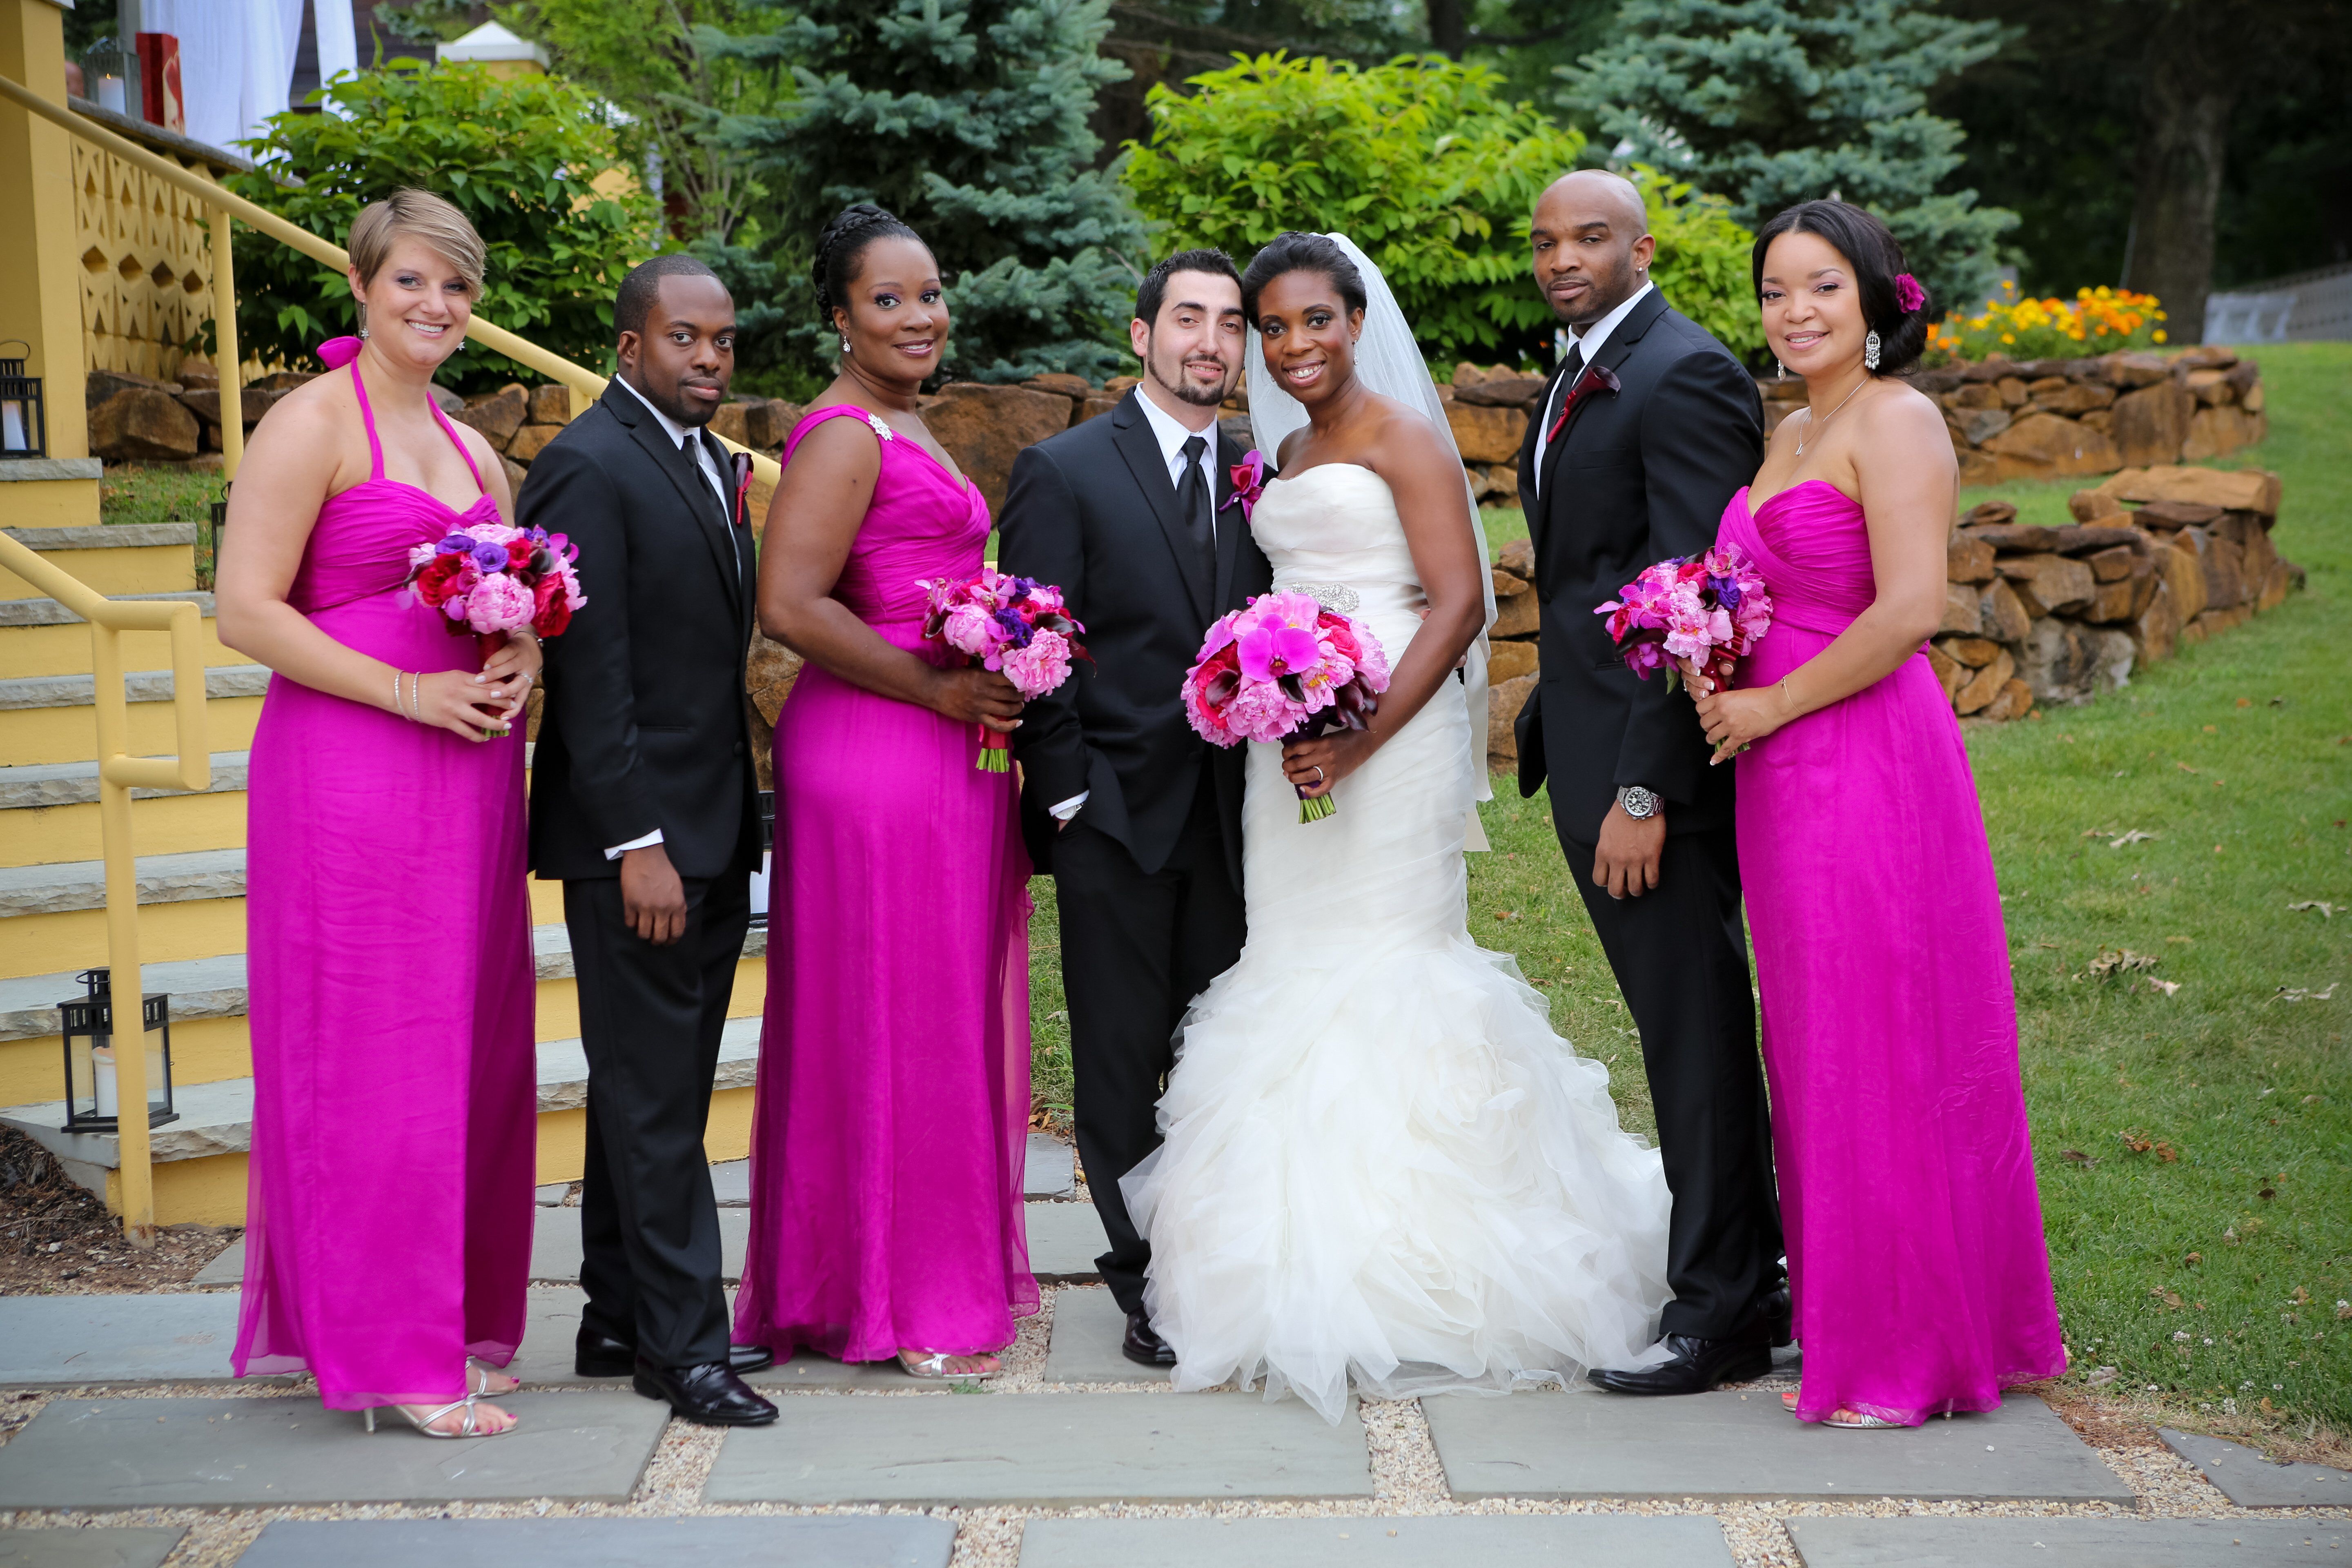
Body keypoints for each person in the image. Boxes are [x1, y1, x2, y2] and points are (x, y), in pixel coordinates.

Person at [1121, 232, 1674, 1423]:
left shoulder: (1402, 438)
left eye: (1314, 320)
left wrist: (1362, 734)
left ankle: (1434, 1258)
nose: (1291, 346)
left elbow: (1460, 598)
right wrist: (1261, 689)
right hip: (1293, 746)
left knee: (1390, 961)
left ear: (1356, 323)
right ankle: (1281, 1251)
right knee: (1292, 959)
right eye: (1272, 327)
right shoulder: (1282, 450)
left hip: (1393, 738)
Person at [1694, 200, 2067, 1427]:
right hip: (1778, 772)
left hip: (1863, 753)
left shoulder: (1898, 420)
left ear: (1874, 302)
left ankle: (1909, 1351)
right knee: (1815, 1040)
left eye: (1821, 289)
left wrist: (1773, 701)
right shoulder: (1791, 426)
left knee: (1882, 1031)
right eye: (1774, 292)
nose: (1794, 312)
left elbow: (1910, 608)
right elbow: (1761, 586)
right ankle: (1851, 1314)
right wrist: (1709, 654)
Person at [221, 189, 537, 1438]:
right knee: (375, 1041)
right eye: (413, 280)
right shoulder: (308, 424)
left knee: (463, 1038)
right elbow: (247, 610)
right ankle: (391, 1353)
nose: (436, 305)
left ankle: (439, 1314)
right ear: (361, 284)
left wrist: (524, 665)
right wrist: (409, 687)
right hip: (348, 767)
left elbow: (514, 595)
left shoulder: (474, 451)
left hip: (467, 769)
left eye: (456, 287)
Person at [733, 204, 1037, 1380]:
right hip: (879, 749)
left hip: (941, 745)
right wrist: (939, 689)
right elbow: (793, 606)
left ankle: (902, 1270)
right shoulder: (843, 436)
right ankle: (900, 1298)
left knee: (934, 1004)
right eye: (890, 300)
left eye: (931, 293)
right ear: (840, 317)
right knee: (894, 1008)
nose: (922, 317)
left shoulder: (911, 421)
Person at [1508, 171, 1791, 1398]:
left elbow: (1695, 602)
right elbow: (1593, 578)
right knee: (1679, 1028)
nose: (1561, 258)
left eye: (1588, 237)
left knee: (1694, 1036)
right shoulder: (1581, 365)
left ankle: (1723, 1311)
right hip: (1588, 744)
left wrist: (1644, 793)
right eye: (1545, 241)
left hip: (1644, 781)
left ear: (1643, 245)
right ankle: (1751, 1277)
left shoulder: (1685, 375)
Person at [994, 249, 1274, 1369]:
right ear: (1141, 334)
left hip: (1237, 824)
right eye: (1189, 318)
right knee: (1118, 1062)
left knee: (1218, 1055)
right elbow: (1037, 639)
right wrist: (1067, 792)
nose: (1211, 341)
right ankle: (1140, 1279)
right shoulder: (1062, 468)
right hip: (1112, 812)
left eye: (1230, 323)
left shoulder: (1263, 472)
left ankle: (1211, 1255)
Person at [523, 254, 778, 1427]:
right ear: (630, 346)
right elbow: (591, 673)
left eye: (721, 341)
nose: (709, 360)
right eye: (685, 340)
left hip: (712, 829)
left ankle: (618, 1311)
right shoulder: (586, 465)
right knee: (659, 1096)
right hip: (641, 842)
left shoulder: (708, 464)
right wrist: (637, 840)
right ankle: (687, 1349)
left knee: (653, 1082)